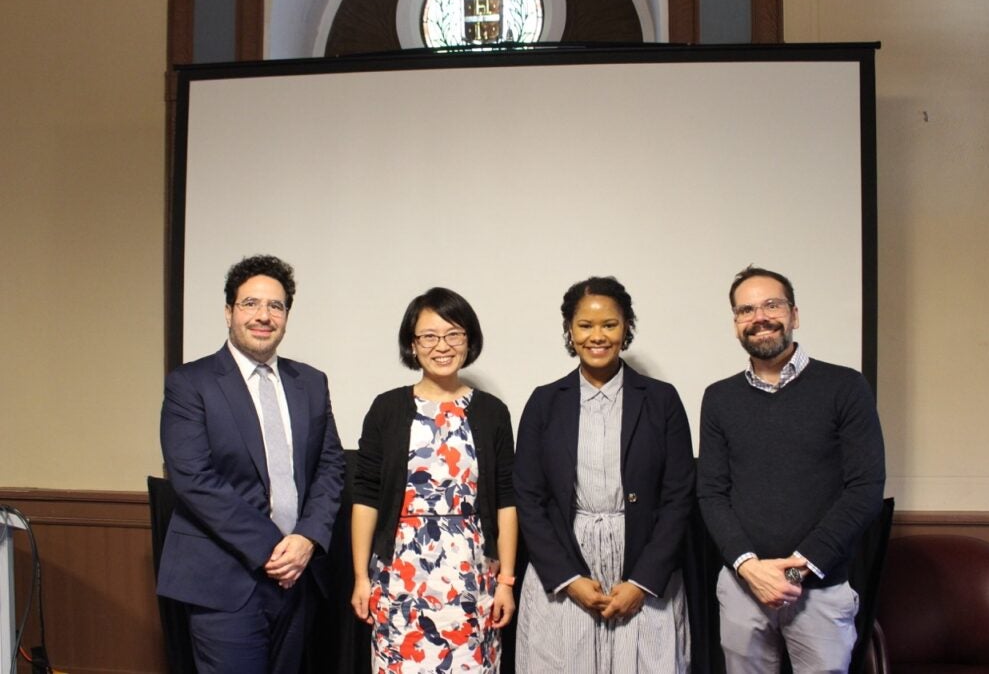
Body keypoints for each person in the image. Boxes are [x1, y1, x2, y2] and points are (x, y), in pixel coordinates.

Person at [157, 255, 345, 673]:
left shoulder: (311, 382)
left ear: (286, 316)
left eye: (275, 306)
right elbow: (194, 479)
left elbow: (330, 468)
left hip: (297, 579)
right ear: (229, 312)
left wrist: (306, 540)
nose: (264, 316)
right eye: (250, 304)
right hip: (224, 581)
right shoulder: (191, 383)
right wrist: (273, 550)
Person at [697, 266, 886, 673]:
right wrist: (750, 568)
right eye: (746, 310)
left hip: (821, 590)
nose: (759, 317)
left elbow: (865, 488)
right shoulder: (718, 398)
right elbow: (711, 493)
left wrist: (797, 569)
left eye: (771, 305)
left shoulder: (846, 387)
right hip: (742, 588)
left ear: (794, 314)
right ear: (735, 325)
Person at [514, 276, 695, 673]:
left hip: (642, 567)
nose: (598, 336)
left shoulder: (661, 400)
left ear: (626, 327)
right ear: (569, 330)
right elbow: (528, 497)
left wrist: (642, 582)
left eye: (609, 325)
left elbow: (679, 495)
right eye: (585, 325)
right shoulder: (544, 403)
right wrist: (568, 577)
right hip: (566, 567)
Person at [350, 287, 518, 673]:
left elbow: (506, 500)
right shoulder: (386, 408)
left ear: (469, 340)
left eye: (453, 334)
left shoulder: (492, 412)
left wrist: (506, 581)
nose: (441, 346)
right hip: (400, 576)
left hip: (472, 575)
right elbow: (367, 497)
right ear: (412, 344)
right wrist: (361, 577)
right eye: (429, 336)